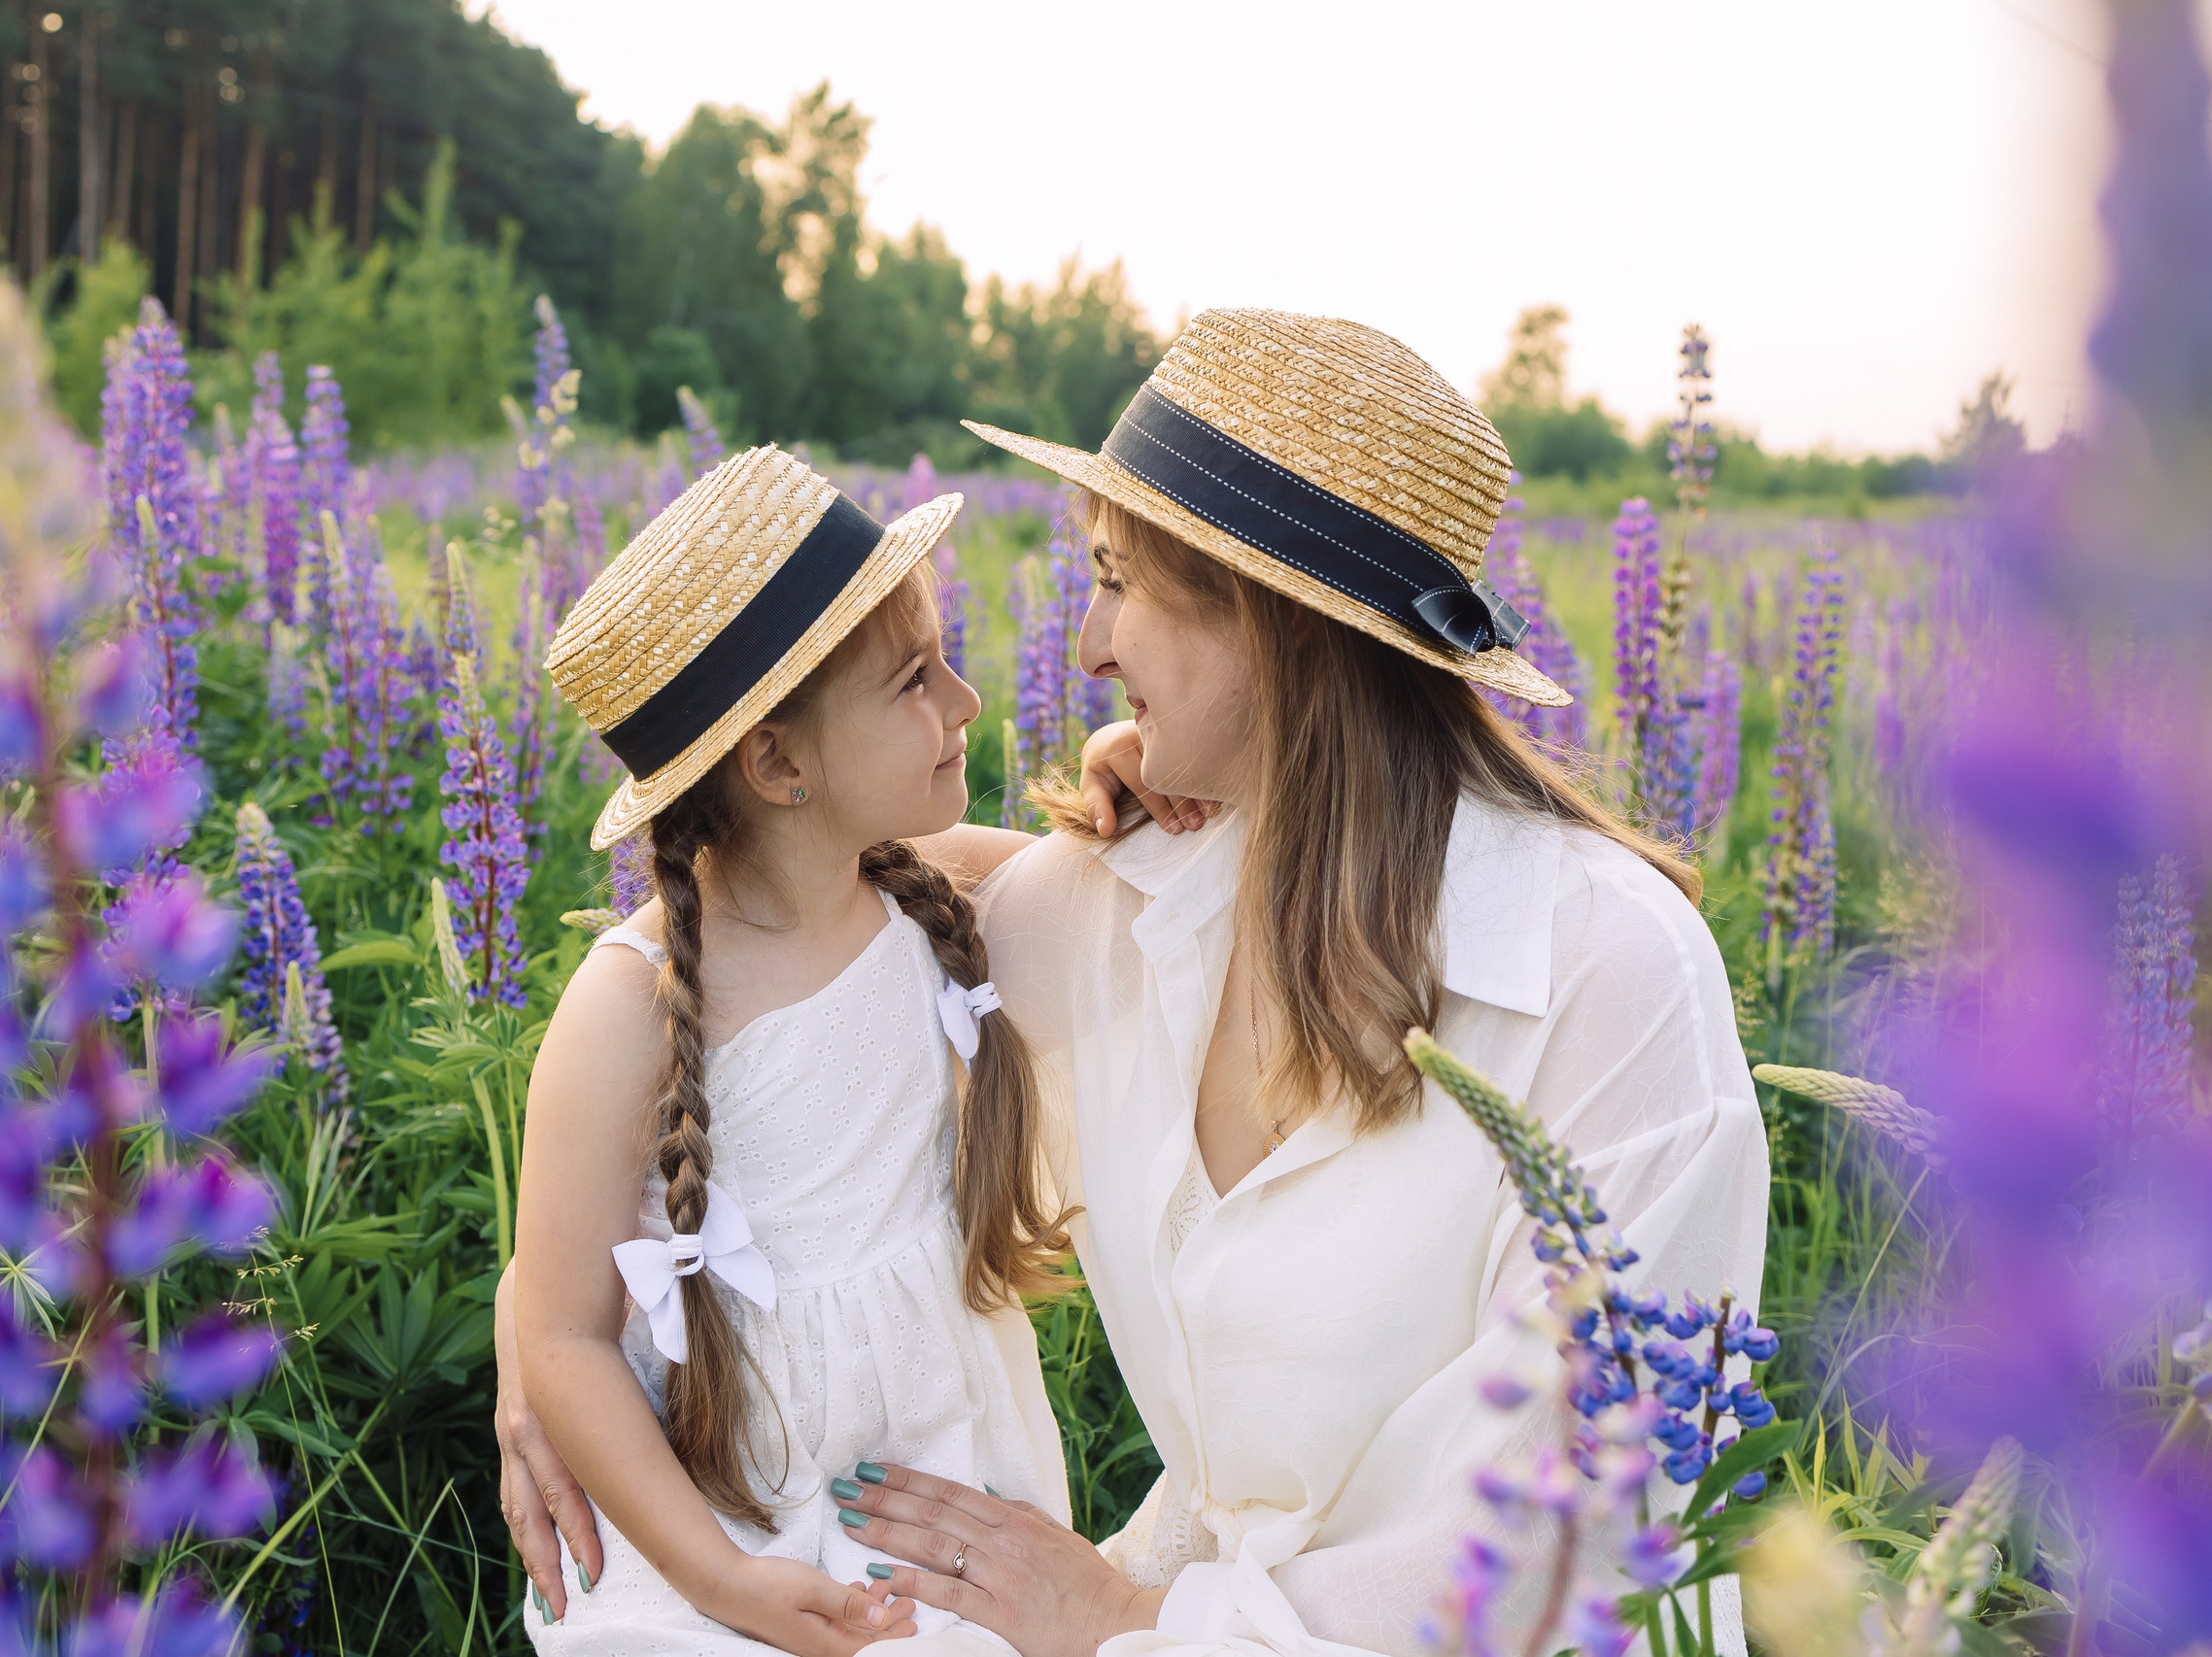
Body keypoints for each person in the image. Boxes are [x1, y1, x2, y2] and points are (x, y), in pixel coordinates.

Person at [502, 310, 1769, 1657]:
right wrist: (548, 1352)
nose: (1085, 643)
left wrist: (1129, 1618)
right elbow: (762, 924)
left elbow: (1573, 1543)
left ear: (1272, 628)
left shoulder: (1609, 973)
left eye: (1117, 578)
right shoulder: (1136, 895)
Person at [511, 445, 1072, 1656]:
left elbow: (1091, 866)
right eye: (916, 679)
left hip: (931, 1463)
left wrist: (1122, 779)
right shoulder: (625, 1007)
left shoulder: (934, 885)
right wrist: (715, 1577)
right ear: (777, 763)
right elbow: (558, 1331)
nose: (966, 702)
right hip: (717, 1510)